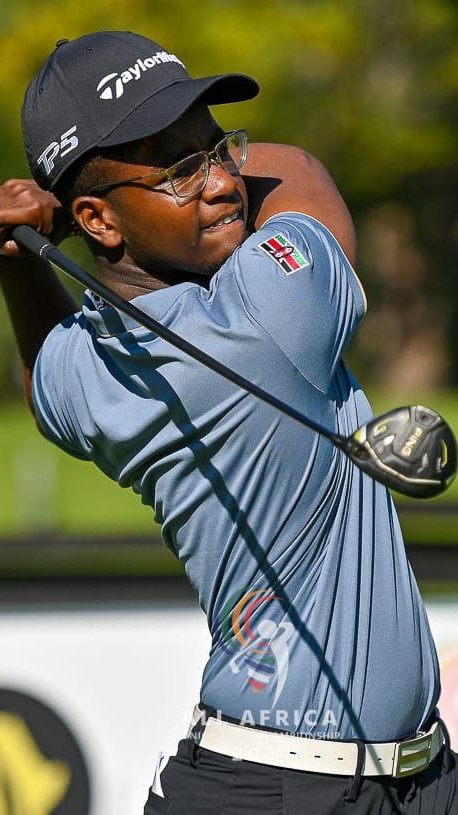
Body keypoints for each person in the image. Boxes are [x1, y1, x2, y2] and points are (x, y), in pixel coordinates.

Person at [0, 30, 456, 815]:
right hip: (294, 791)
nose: (222, 182)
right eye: (179, 169)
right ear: (100, 222)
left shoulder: (91, 368)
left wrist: (24, 258)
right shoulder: (269, 308)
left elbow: (45, 378)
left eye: (217, 148)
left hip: (361, 778)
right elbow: (303, 170)